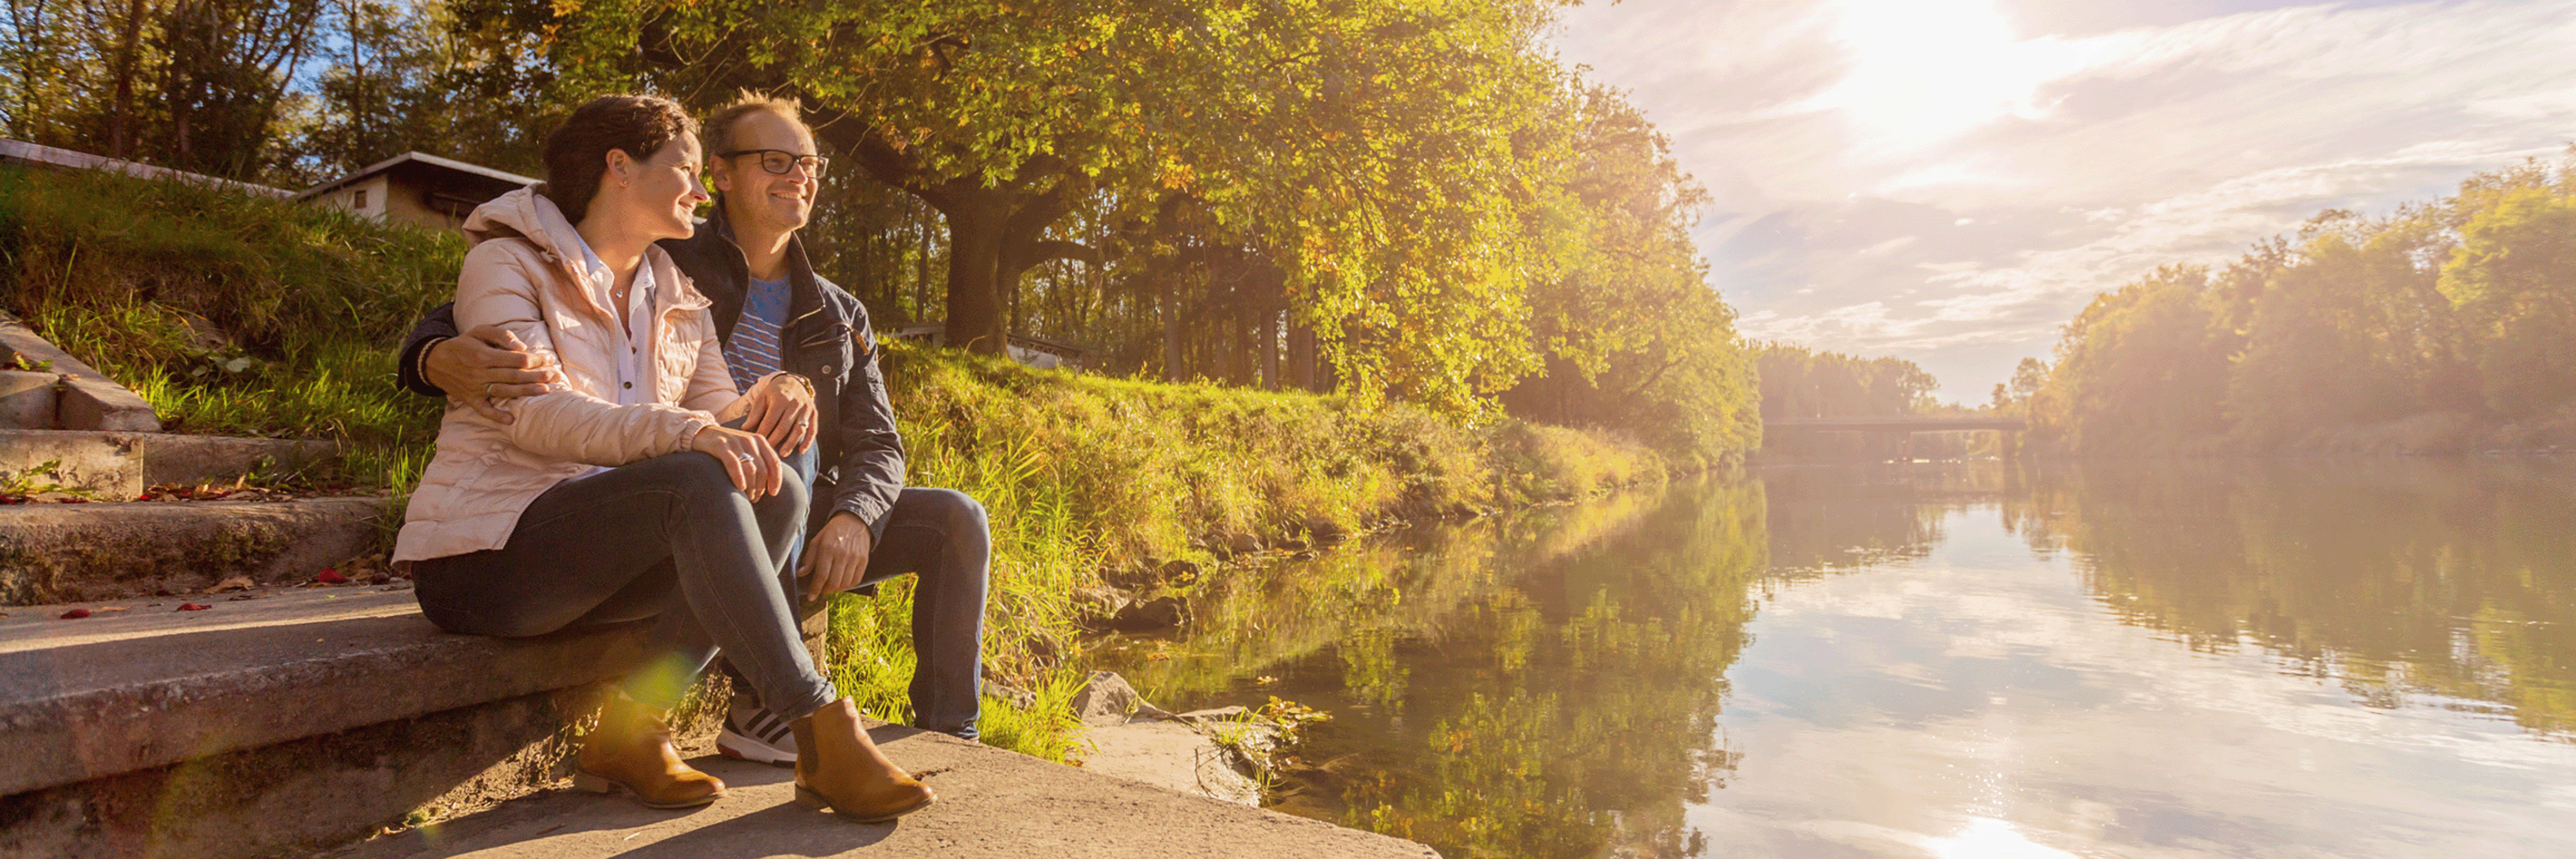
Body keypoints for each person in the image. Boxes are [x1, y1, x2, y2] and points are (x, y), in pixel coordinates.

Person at [395, 94, 994, 756]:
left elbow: (875, 440)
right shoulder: (668, 254)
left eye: (811, 164)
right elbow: (484, 313)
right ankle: (786, 706)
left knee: (948, 515)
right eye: (776, 160)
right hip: (656, 495)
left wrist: (854, 510)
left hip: (731, 493)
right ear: (722, 173)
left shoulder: (828, 311)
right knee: (749, 461)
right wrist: (428, 354)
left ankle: (951, 736)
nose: (800, 175)